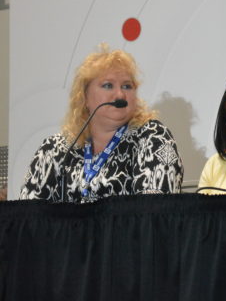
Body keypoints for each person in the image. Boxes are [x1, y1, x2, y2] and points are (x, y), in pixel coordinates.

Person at [20, 44, 184, 203]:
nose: (120, 95)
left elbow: (154, 213)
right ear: (84, 97)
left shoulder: (152, 138)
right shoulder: (55, 150)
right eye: (108, 85)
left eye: (127, 86)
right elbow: (26, 219)